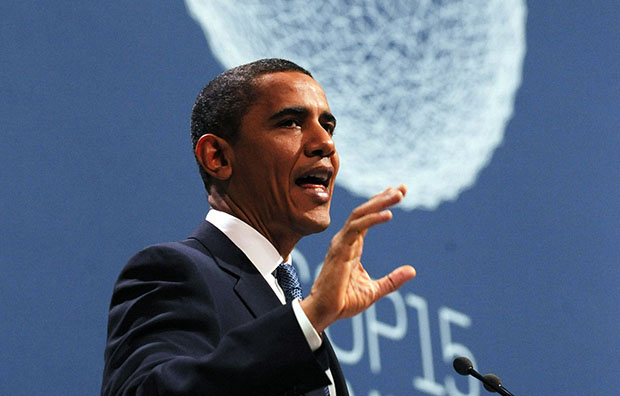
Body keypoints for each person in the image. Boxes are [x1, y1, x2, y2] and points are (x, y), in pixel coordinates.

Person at [101, 58, 416, 396]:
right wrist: (308, 317)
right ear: (217, 157)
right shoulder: (176, 271)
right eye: (291, 123)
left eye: (328, 126)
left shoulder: (288, 304)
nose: (325, 143)